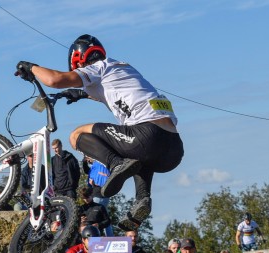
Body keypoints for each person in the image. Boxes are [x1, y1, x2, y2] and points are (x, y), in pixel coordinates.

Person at [15, 34, 183, 232]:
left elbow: (55, 80)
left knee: (76, 135)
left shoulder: (99, 67)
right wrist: (80, 93)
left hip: (147, 134)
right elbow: (107, 92)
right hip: (173, 150)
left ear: (79, 60)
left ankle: (116, 163)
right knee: (139, 154)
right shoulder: (123, 69)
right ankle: (142, 198)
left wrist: (30, 67)